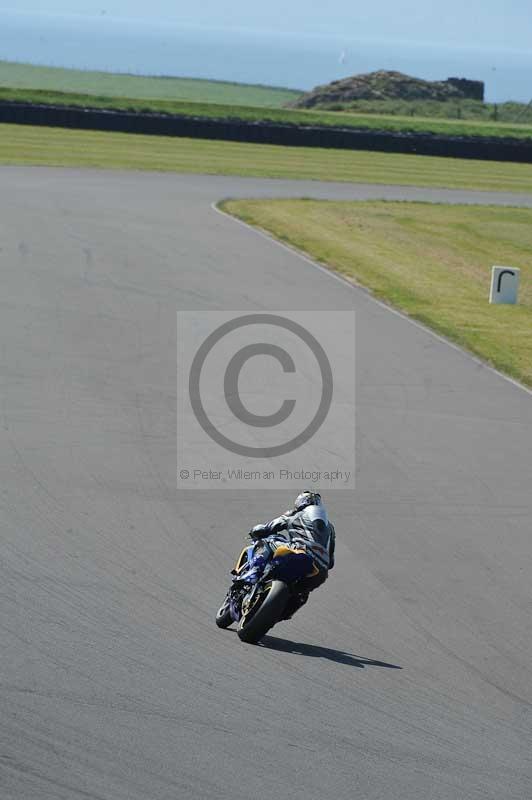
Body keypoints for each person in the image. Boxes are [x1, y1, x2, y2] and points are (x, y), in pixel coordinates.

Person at [247, 491, 335, 619]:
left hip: (299, 553)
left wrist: (256, 531)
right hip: (320, 571)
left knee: (268, 541)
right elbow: (331, 562)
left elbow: (270, 527)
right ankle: (279, 613)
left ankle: (255, 573)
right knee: (301, 594)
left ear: (301, 502)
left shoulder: (296, 514)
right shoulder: (330, 529)